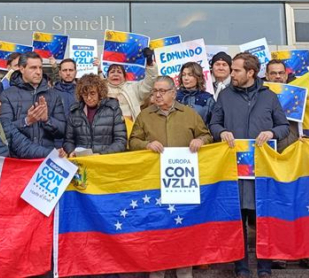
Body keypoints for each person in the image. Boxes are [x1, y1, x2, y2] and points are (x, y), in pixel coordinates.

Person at [210, 52, 289, 278]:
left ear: (250, 73)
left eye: (236, 70)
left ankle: (264, 268)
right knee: (238, 222)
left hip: (262, 171)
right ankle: (241, 269)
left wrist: (271, 131)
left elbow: (283, 126)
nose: (231, 74)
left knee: (262, 221)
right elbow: (213, 124)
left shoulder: (269, 96)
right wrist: (222, 131)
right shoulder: (224, 96)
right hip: (233, 170)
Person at [129, 75, 213, 278]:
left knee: (183, 232)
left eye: (162, 91)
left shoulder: (189, 114)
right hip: (154, 184)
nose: (157, 95)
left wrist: (201, 140)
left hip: (182, 185)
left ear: (173, 93)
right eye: (154, 91)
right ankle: (157, 274)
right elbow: (132, 141)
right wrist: (146, 145)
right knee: (157, 232)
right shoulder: (144, 115)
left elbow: (208, 135)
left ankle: (184, 273)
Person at [0, 52, 66, 159]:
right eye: (33, 68)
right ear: (22, 69)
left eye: (40, 67)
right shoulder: (7, 95)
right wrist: (27, 121)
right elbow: (3, 130)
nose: (38, 72)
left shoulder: (53, 95)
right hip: (18, 159)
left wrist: (47, 120)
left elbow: (63, 131)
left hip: (47, 158)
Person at [63, 74, 126, 155]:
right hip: (82, 162)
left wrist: (101, 154)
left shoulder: (113, 109)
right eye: (85, 94)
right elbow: (68, 141)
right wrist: (71, 151)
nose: (89, 98)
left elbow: (121, 141)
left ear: (100, 92)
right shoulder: (75, 111)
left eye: (92, 93)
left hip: (106, 161)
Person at [105, 48, 158, 135]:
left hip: (132, 131)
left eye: (119, 72)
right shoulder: (101, 90)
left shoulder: (133, 87)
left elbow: (149, 83)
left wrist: (150, 63)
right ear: (107, 76)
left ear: (124, 77)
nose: (115, 74)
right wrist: (96, 68)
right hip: (109, 132)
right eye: (112, 72)